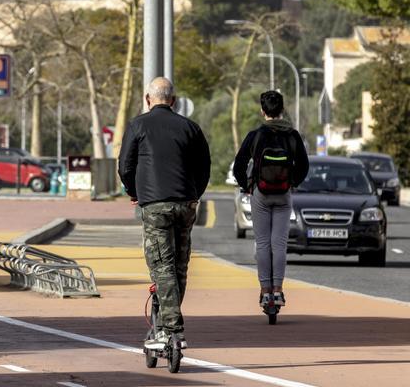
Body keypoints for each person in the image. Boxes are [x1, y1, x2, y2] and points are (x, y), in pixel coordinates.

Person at [118, 77, 210, 350]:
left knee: (162, 266)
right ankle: (164, 315)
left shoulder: (138, 125)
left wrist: (134, 191)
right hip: (185, 203)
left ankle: (171, 329)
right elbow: (204, 167)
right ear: (174, 100)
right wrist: (194, 194)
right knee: (179, 266)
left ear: (148, 99)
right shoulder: (190, 128)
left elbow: (125, 165)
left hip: (155, 204)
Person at [232, 90, 309, 309]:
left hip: (261, 193)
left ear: (262, 110)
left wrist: (246, 185)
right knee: (280, 244)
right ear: (282, 110)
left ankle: (265, 291)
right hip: (284, 194)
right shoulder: (293, 136)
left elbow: (239, 164)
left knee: (263, 243)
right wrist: (292, 182)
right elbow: (304, 166)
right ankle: (278, 290)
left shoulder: (256, 135)